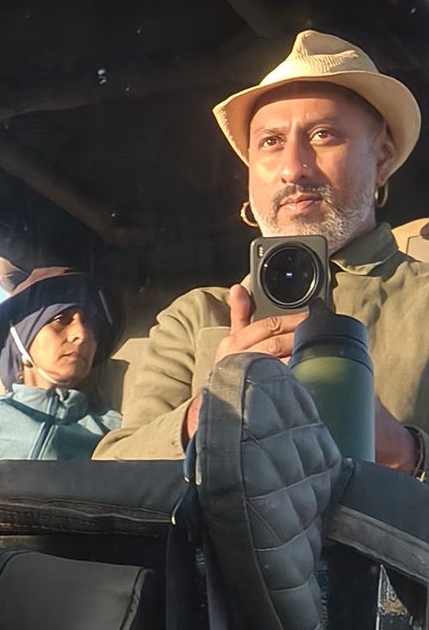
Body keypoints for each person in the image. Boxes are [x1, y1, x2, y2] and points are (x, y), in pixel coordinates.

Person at [97, 30, 429, 467]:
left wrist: (407, 452)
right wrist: (209, 411)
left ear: (381, 158)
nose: (293, 168)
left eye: (324, 134)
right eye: (270, 142)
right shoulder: (195, 317)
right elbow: (114, 470)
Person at [0, 266, 121, 461]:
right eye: (61, 319)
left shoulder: (112, 428)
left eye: (91, 325)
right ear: (23, 336)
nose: (82, 335)